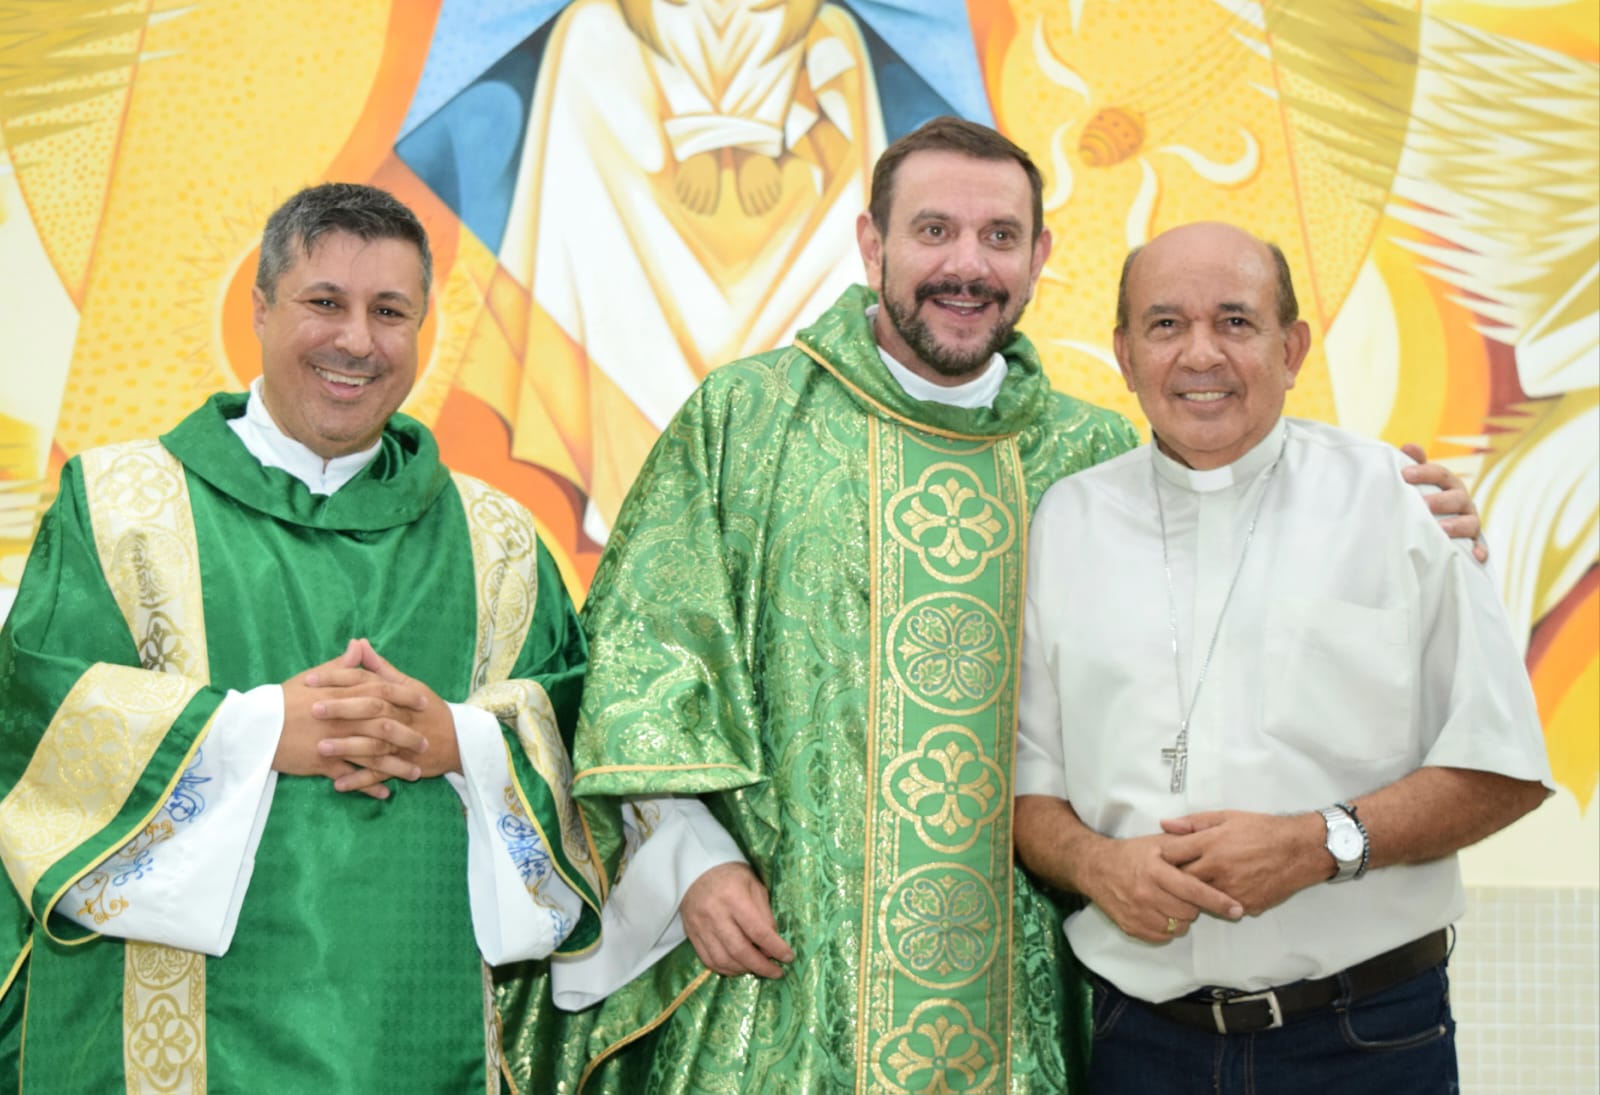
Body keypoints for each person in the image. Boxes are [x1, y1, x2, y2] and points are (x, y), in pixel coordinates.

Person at [550, 121, 1483, 1092]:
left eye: (999, 237)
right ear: (872, 245)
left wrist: (1405, 509)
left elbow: (1254, 513)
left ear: (1040, 258)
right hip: (790, 959)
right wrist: (691, 858)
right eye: (934, 232)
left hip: (1021, 985)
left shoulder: (1088, 460)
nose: (966, 265)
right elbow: (645, 654)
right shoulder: (745, 421)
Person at [0, 183, 601, 1091]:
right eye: (325, 302)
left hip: (416, 1024)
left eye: (390, 312)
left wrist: (460, 740)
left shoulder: (501, 542)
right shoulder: (119, 507)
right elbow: (33, 729)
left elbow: (591, 752)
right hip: (179, 1043)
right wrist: (256, 733)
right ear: (260, 308)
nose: (357, 340)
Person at [1012, 221, 1552, 1094]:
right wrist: (1094, 864)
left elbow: (1505, 769)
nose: (1200, 354)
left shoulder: (1401, 506)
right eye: (1164, 324)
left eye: (1235, 321)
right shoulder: (1065, 522)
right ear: (1121, 351)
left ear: (1292, 346)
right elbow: (1028, 790)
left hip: (1366, 1039)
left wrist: (1321, 843)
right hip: (1138, 1043)